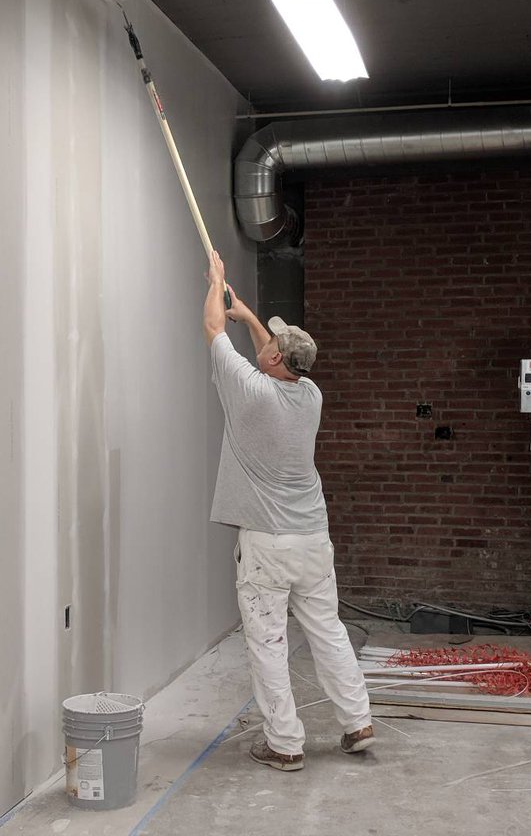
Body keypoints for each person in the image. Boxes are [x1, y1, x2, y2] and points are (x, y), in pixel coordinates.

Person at [203, 248, 374, 772]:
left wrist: (215, 281)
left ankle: (284, 743)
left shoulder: (250, 393)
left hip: (268, 543)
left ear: (275, 359)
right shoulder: (311, 394)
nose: (267, 344)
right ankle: (358, 721)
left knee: (269, 642)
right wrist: (251, 317)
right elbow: (270, 354)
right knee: (327, 629)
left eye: (273, 342)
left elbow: (211, 328)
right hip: (312, 538)